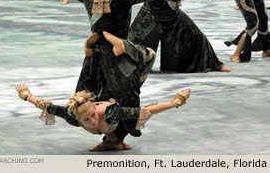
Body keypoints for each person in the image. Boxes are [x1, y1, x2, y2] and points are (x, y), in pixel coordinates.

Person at [11, 0, 219, 148]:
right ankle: (110, 139)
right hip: (94, 55)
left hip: (120, 53)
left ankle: (117, 139)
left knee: (127, 99)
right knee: (83, 101)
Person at [15, 31, 191, 151]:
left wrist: (175, 103)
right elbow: (48, 107)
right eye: (87, 119)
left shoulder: (108, 113)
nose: (93, 120)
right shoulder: (74, 116)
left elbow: (144, 111)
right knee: (127, 87)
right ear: (77, 119)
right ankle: (114, 54)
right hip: (98, 99)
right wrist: (27, 96)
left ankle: (90, 52)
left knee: (145, 59)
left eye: (92, 115)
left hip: (94, 96)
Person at [128, 0, 231, 73]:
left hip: (172, 15)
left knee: (198, 37)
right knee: (132, 46)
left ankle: (215, 65)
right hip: (150, 16)